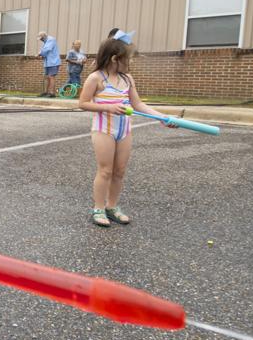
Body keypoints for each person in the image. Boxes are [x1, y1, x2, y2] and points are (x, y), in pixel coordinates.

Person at [78, 30, 173, 227]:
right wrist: (109, 107)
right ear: (115, 59)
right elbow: (83, 103)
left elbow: (138, 104)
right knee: (105, 170)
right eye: (127, 58)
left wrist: (162, 117)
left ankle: (112, 207)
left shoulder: (128, 79)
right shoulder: (96, 78)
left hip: (124, 130)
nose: (130, 62)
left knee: (119, 171)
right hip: (103, 130)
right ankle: (98, 208)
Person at [37, 32, 61, 97]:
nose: (41, 40)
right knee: (47, 77)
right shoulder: (45, 42)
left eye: (41, 38)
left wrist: (39, 53)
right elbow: (46, 53)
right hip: (48, 62)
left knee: (51, 76)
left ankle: (52, 93)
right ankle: (45, 92)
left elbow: (47, 49)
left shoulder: (51, 39)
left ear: (44, 36)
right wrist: (42, 56)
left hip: (53, 62)